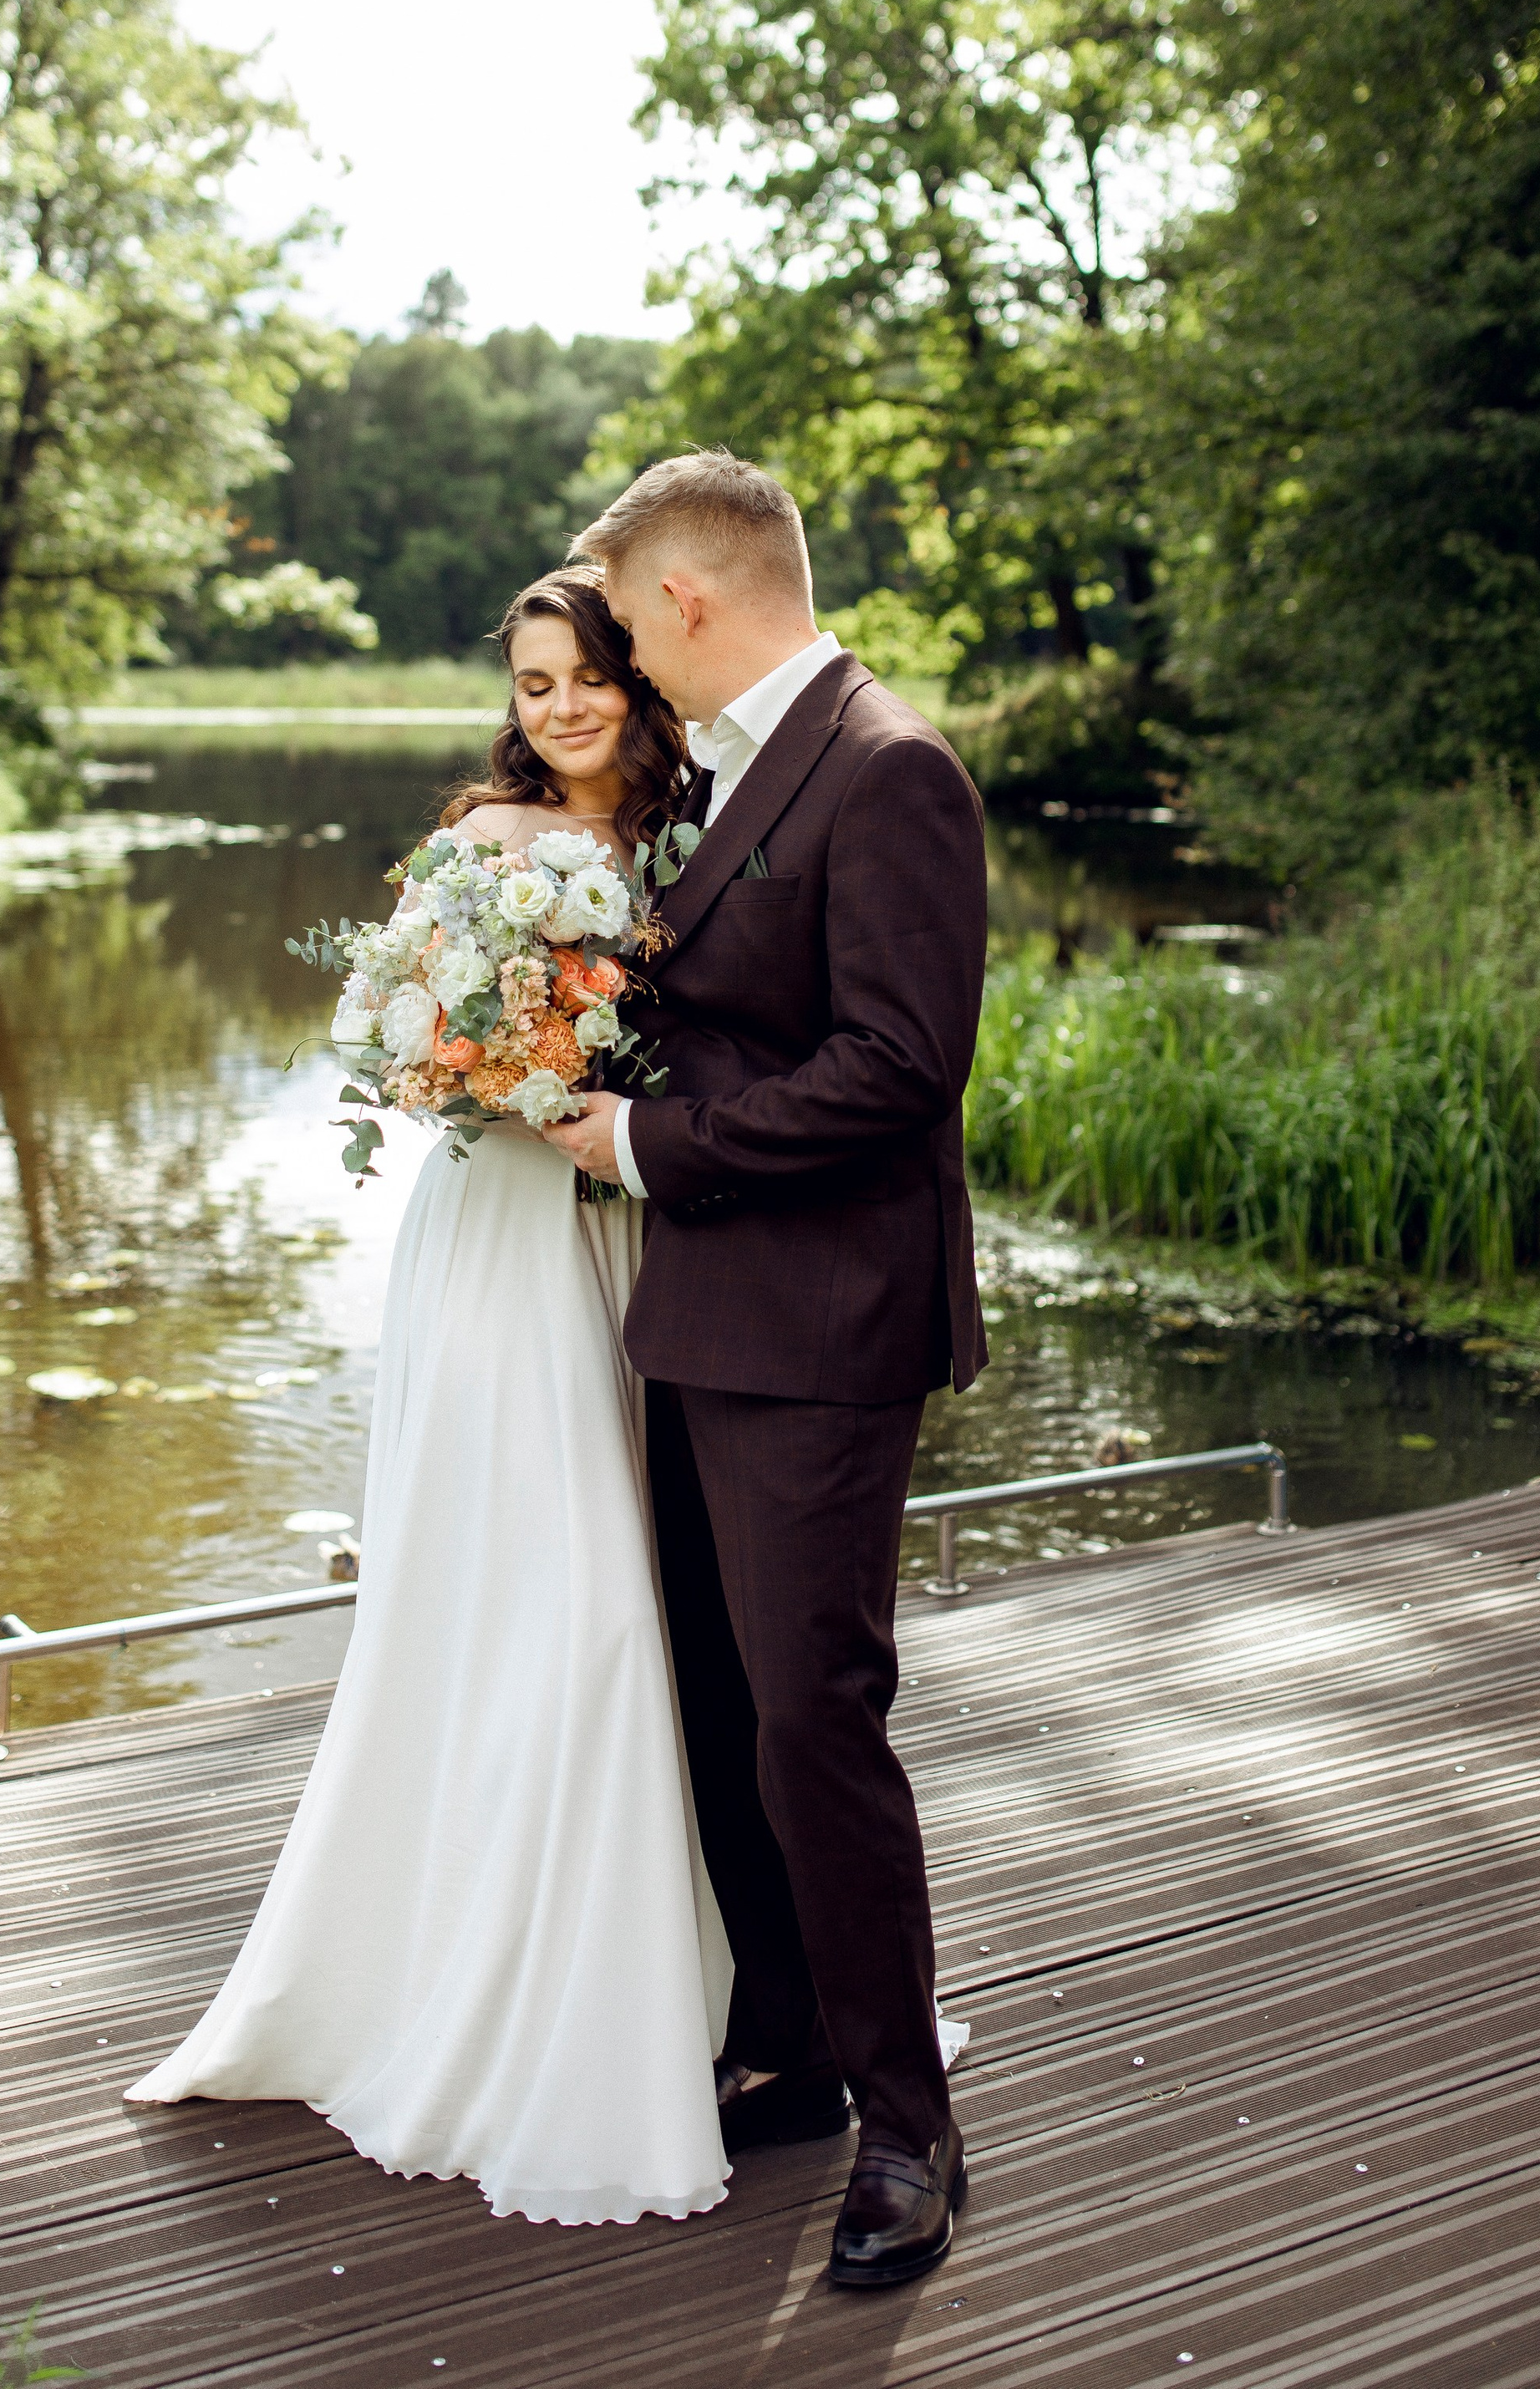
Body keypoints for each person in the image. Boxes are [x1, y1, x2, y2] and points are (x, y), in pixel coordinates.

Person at [125, 568, 734, 2227]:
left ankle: (671, 1978)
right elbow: (385, 1045)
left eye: (586, 677)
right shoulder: (478, 842)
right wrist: (485, 1052)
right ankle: (472, 1982)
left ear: (636, 680)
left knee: (640, 1595)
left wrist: (598, 1073)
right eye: (533, 682)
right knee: (543, 1593)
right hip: (495, 1246)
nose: (559, 709)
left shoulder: (692, 844)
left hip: (622, 1237)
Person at [541, 450, 987, 2292]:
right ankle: (794, 2051)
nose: (627, 660)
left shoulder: (887, 770)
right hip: (701, 1322)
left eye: (632, 621)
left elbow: (897, 1067)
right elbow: (725, 1005)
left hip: (815, 1334)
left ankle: (909, 2126)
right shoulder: (729, 773)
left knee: (816, 1720)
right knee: (724, 1708)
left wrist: (645, 1151)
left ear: (693, 599)